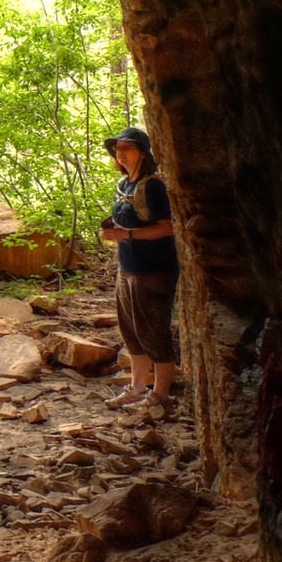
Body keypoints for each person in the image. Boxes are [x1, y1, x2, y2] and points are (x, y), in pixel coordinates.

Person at [99, 125, 179, 407]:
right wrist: (117, 231)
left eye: (126, 147)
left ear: (143, 152)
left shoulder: (154, 186)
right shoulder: (126, 185)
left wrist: (126, 234)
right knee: (131, 331)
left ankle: (160, 395)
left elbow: (167, 228)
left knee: (153, 331)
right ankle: (137, 388)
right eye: (117, 148)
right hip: (128, 266)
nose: (120, 153)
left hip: (154, 269)